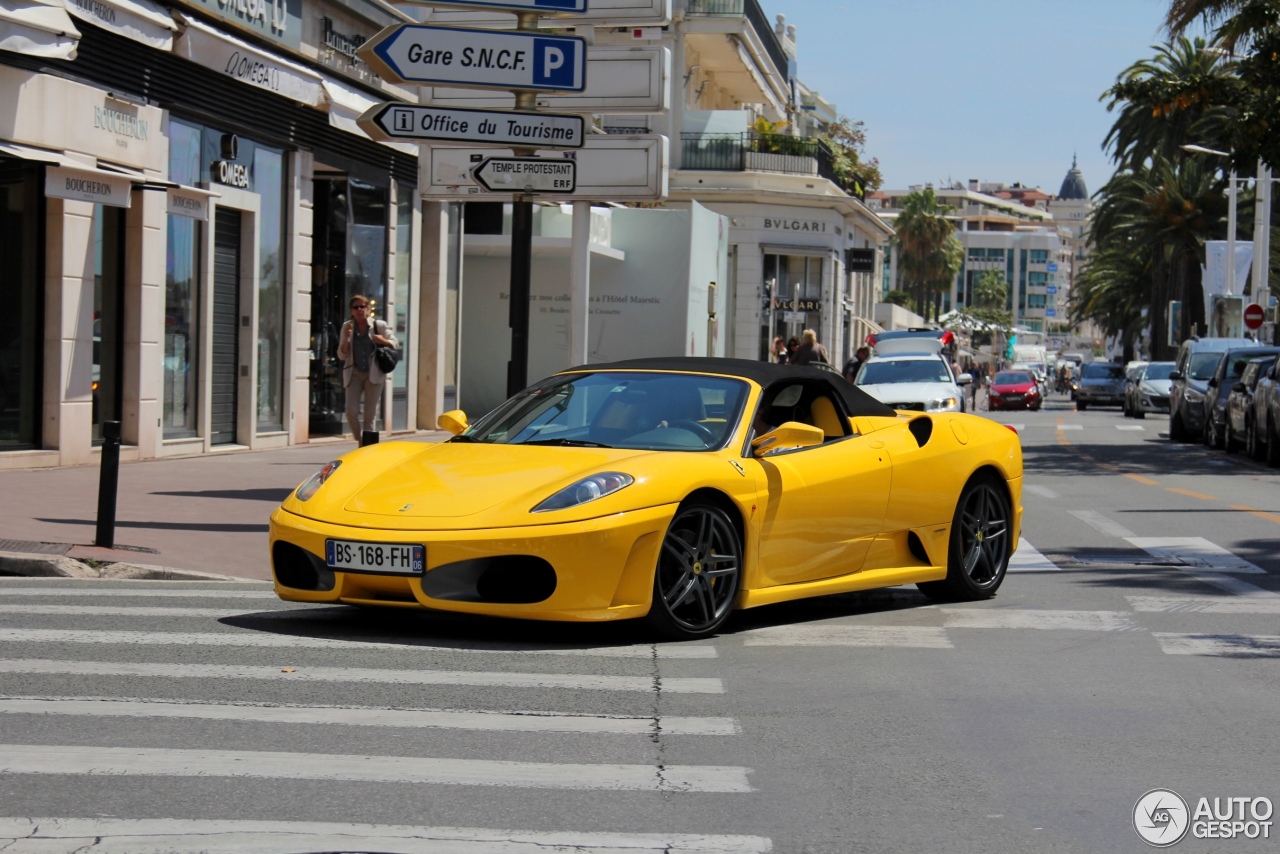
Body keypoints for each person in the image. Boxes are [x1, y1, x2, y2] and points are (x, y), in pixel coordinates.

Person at [336, 294, 398, 440]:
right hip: (354, 373)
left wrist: (383, 340)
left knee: (369, 416)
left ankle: (366, 449)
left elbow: (395, 343)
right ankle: (360, 440)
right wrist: (347, 340)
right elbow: (341, 355)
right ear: (351, 311)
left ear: (368, 309)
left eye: (362, 307)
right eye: (355, 307)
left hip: (374, 374)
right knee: (351, 412)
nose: (359, 310)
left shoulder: (379, 325)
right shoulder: (347, 326)